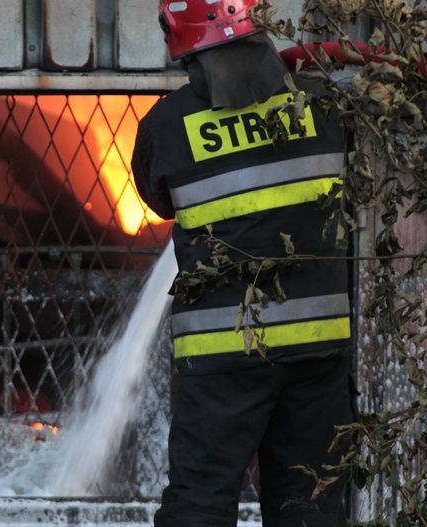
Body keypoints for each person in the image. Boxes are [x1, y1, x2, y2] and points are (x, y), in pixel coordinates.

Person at [131, 2, 356, 526]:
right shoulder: (325, 103)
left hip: (224, 352)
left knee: (202, 500)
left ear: (179, 38)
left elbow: (160, 200)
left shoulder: (165, 127)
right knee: (311, 504)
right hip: (317, 349)